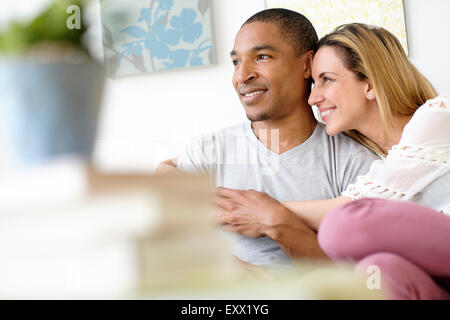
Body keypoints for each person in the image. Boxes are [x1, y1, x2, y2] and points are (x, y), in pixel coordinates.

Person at [216, 23, 450, 299]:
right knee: (379, 271)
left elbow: (352, 212)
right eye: (313, 83)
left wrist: (270, 213)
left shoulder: (437, 116)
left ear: (370, 84)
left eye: (326, 79)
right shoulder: (369, 159)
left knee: (343, 227)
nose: (314, 98)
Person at [156, 10, 379, 272]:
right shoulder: (207, 151)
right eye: (237, 62)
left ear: (307, 65)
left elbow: (358, 279)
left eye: (262, 57)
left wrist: (279, 223)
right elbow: (172, 252)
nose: (242, 76)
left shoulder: (355, 161)